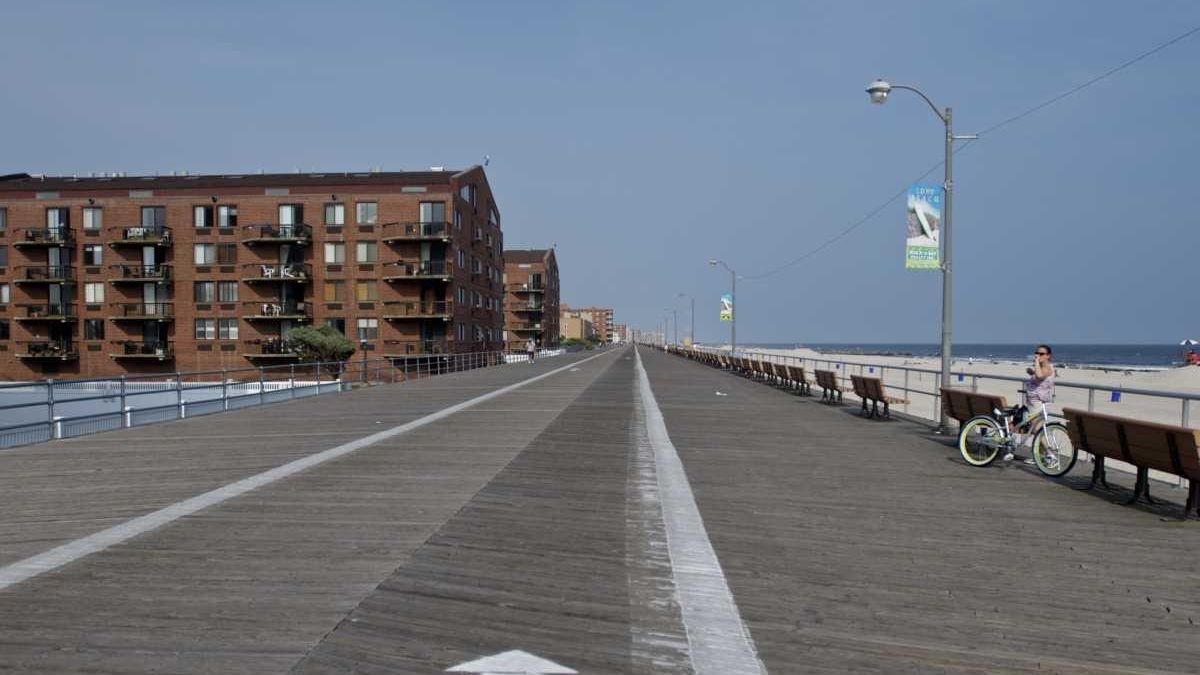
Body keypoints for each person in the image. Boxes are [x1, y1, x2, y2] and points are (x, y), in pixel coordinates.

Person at [1008, 344, 1055, 462]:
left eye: (1041, 354)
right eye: (1037, 353)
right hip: (1030, 403)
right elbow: (1038, 378)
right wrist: (1031, 372)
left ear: (1048, 356)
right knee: (1019, 425)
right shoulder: (1041, 367)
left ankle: (1048, 455)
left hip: (1038, 404)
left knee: (1037, 430)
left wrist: (1036, 362)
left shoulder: (1048, 368)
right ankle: (1041, 457)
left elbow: (1040, 376)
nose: (1038, 355)